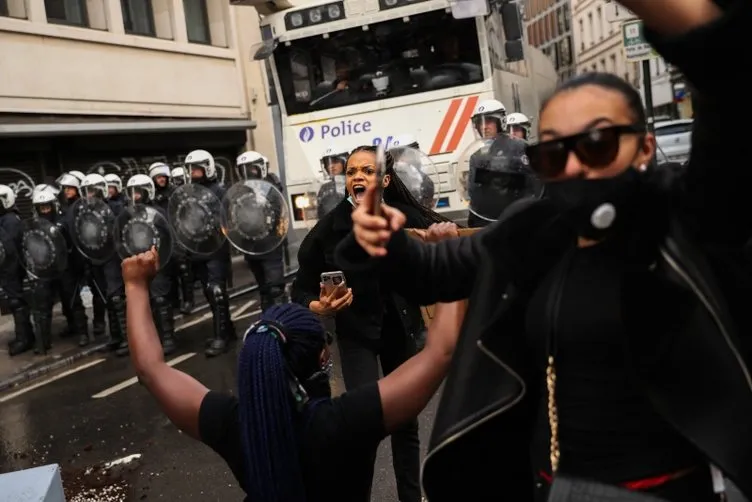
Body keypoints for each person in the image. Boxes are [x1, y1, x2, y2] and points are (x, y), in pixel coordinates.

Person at [336, 1, 752, 500]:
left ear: (643, 147)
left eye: (597, 142)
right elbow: (431, 272)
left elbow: (733, 82)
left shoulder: (689, 218)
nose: (574, 166)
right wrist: (383, 237)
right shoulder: (531, 232)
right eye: (553, 152)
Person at [122, 244, 465, 502]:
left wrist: (135, 285)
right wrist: (449, 257)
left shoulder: (235, 424)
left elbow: (151, 370)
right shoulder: (345, 421)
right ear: (322, 357)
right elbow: (442, 350)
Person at [292, 145, 452, 502]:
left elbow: (449, 254)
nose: (359, 177)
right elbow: (300, 288)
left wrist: (441, 242)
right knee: (363, 423)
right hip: (356, 335)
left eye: (367, 170)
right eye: (351, 172)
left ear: (385, 179)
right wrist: (319, 305)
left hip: (401, 330)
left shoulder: (408, 219)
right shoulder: (327, 230)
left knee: (405, 422)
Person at [182, 149, 235, 357]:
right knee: (208, 292)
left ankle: (221, 337)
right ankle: (227, 330)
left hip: (215, 248)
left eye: (197, 169)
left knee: (216, 291)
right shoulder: (188, 193)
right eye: (191, 169)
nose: (194, 173)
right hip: (197, 250)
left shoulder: (219, 191)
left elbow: (226, 218)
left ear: (207, 168)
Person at [26, 186, 88, 353]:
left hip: (64, 267)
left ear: (53, 206)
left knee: (72, 300)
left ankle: (82, 332)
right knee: (43, 305)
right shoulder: (34, 226)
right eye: (42, 208)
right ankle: (43, 342)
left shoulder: (63, 221)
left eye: (47, 206)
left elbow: (73, 242)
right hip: (45, 270)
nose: (45, 210)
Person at [466, 99, 541, 227]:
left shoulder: (518, 148)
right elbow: (475, 194)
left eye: (489, 121)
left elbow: (533, 184)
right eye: (480, 122)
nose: (484, 127)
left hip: (521, 219)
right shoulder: (476, 157)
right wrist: (476, 221)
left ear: (501, 122)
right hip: (489, 222)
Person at [125, 175, 177, 355]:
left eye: (138, 192)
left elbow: (169, 237)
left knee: (161, 299)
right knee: (146, 302)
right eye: (132, 193)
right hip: (140, 260)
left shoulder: (157, 213)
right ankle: (154, 338)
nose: (135, 196)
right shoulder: (130, 214)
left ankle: (168, 338)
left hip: (158, 260)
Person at [235, 151, 288, 311]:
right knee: (264, 289)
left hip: (270, 243)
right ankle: (268, 320)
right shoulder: (241, 191)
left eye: (250, 169)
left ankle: (284, 321)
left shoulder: (271, 187)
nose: (248, 173)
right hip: (251, 245)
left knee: (275, 288)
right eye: (243, 170)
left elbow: (277, 211)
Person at [1, 185, 35, 356]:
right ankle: (25, 335)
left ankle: (25, 339)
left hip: (12, 267)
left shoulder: (10, 220)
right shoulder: (5, 219)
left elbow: (10, 247)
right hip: (8, 268)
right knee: (14, 301)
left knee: (16, 302)